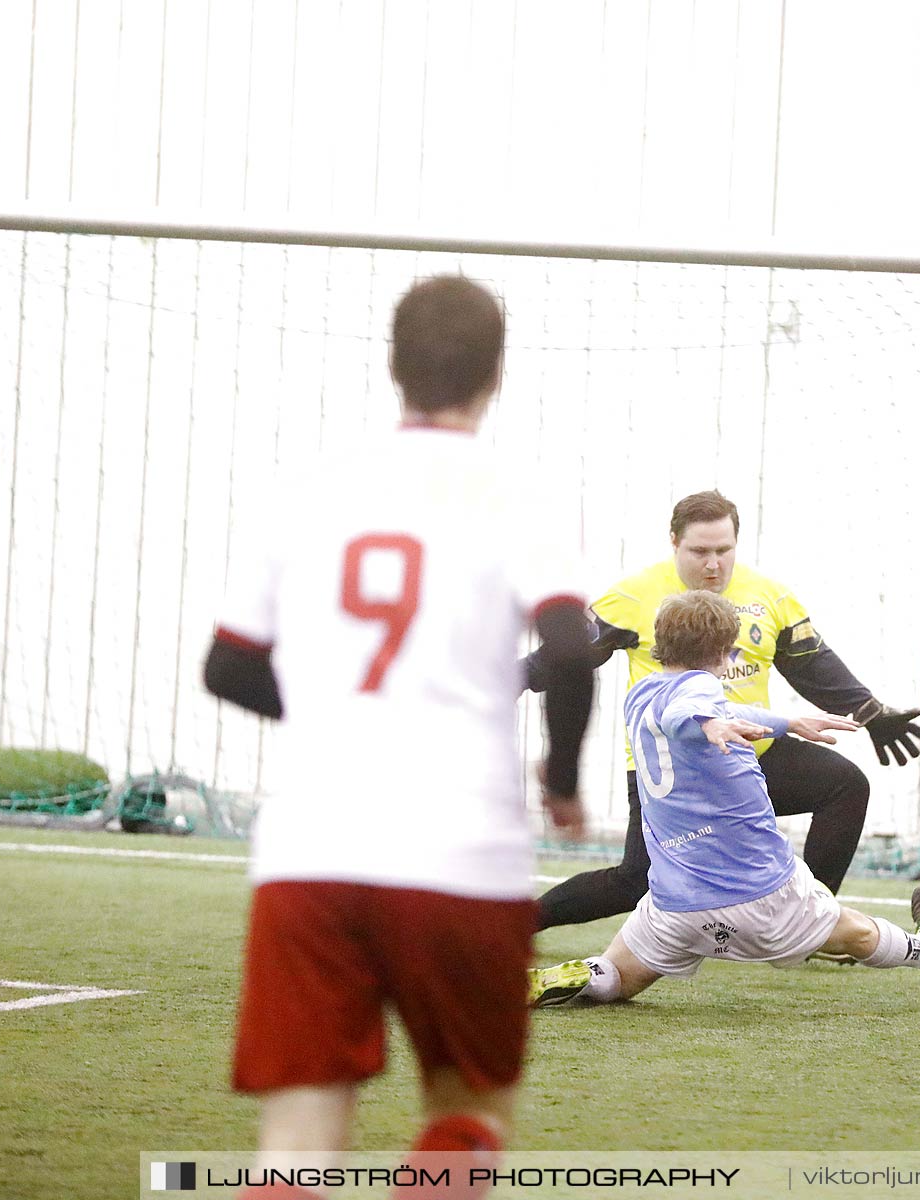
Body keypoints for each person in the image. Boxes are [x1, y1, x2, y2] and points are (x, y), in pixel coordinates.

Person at [203, 275, 597, 1200]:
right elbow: (572, 648)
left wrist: (341, 712)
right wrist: (563, 777)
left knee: (296, 1142)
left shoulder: (308, 488)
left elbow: (227, 667)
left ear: (392, 366)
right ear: (496, 375)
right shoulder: (516, 493)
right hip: (461, 853)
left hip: (312, 851)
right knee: (466, 1116)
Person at [528, 489, 920, 931]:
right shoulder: (634, 595)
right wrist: (511, 678)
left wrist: (868, 710)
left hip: (745, 761)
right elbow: (569, 655)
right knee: (636, 881)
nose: (713, 563)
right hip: (671, 773)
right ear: (674, 542)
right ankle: (521, 922)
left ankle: (809, 923)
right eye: (700, 551)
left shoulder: (770, 597)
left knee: (845, 786)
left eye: (724, 550)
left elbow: (812, 663)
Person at [527, 591, 920, 1008]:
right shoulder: (700, 693)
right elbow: (690, 711)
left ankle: (572, 978)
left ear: (660, 642)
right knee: (854, 932)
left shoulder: (642, 696)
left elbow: (702, 711)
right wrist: (709, 723)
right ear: (726, 652)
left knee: (617, 977)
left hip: (676, 903)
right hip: (759, 894)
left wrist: (787, 722)